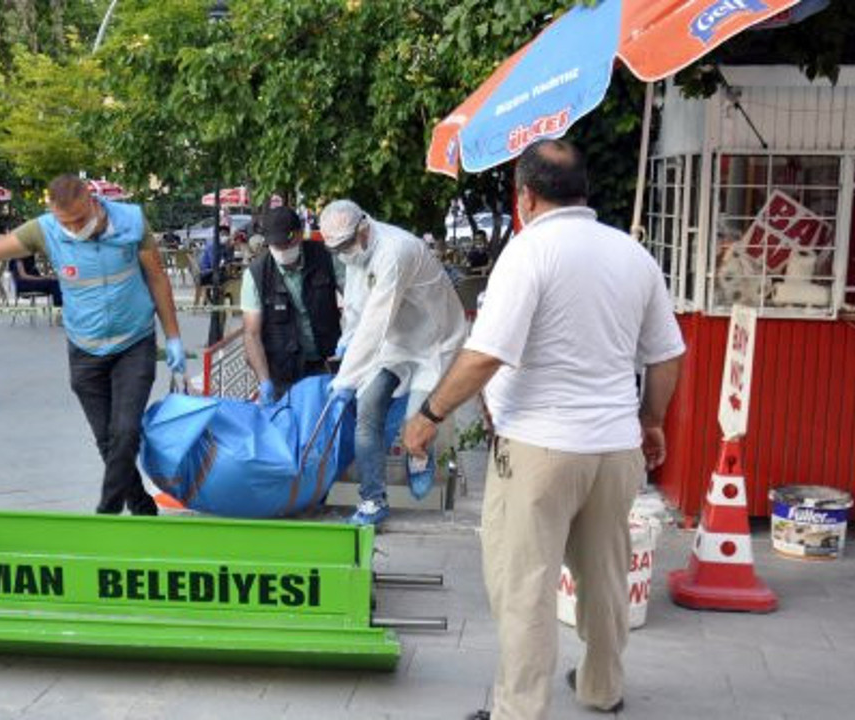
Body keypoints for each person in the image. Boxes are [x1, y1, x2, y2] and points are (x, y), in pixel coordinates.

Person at [402, 140, 686, 720]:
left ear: (525, 196)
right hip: (615, 447)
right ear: (584, 189)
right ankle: (602, 687)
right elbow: (666, 355)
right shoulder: (633, 255)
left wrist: (428, 415)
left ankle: (520, 710)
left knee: (524, 585)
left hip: (539, 449)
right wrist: (651, 421)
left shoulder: (528, 253)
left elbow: (487, 354)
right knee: (605, 576)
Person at [0, 174, 186, 515]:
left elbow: (157, 277)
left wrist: (172, 336)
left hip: (133, 341)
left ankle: (106, 514)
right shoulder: (45, 230)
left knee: (125, 432)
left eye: (79, 219)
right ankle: (144, 511)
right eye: (65, 222)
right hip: (85, 347)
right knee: (107, 440)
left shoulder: (131, 221)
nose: (73, 228)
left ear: (91, 199)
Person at [318, 199, 468, 526]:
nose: (343, 254)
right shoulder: (356, 253)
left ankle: (419, 455)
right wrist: (346, 341)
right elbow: (356, 305)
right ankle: (373, 499)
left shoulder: (394, 252)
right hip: (396, 342)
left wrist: (345, 379)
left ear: (363, 229)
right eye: (336, 249)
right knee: (367, 411)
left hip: (434, 341)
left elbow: (375, 322)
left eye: (345, 246)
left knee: (416, 423)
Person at [242, 206, 342, 405]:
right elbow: (252, 334)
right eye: (275, 245)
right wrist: (264, 381)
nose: (281, 250)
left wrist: (352, 340)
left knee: (327, 417)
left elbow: (355, 300)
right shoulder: (256, 275)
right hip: (283, 371)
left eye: (286, 243)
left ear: (299, 234)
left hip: (327, 362)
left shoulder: (326, 258)